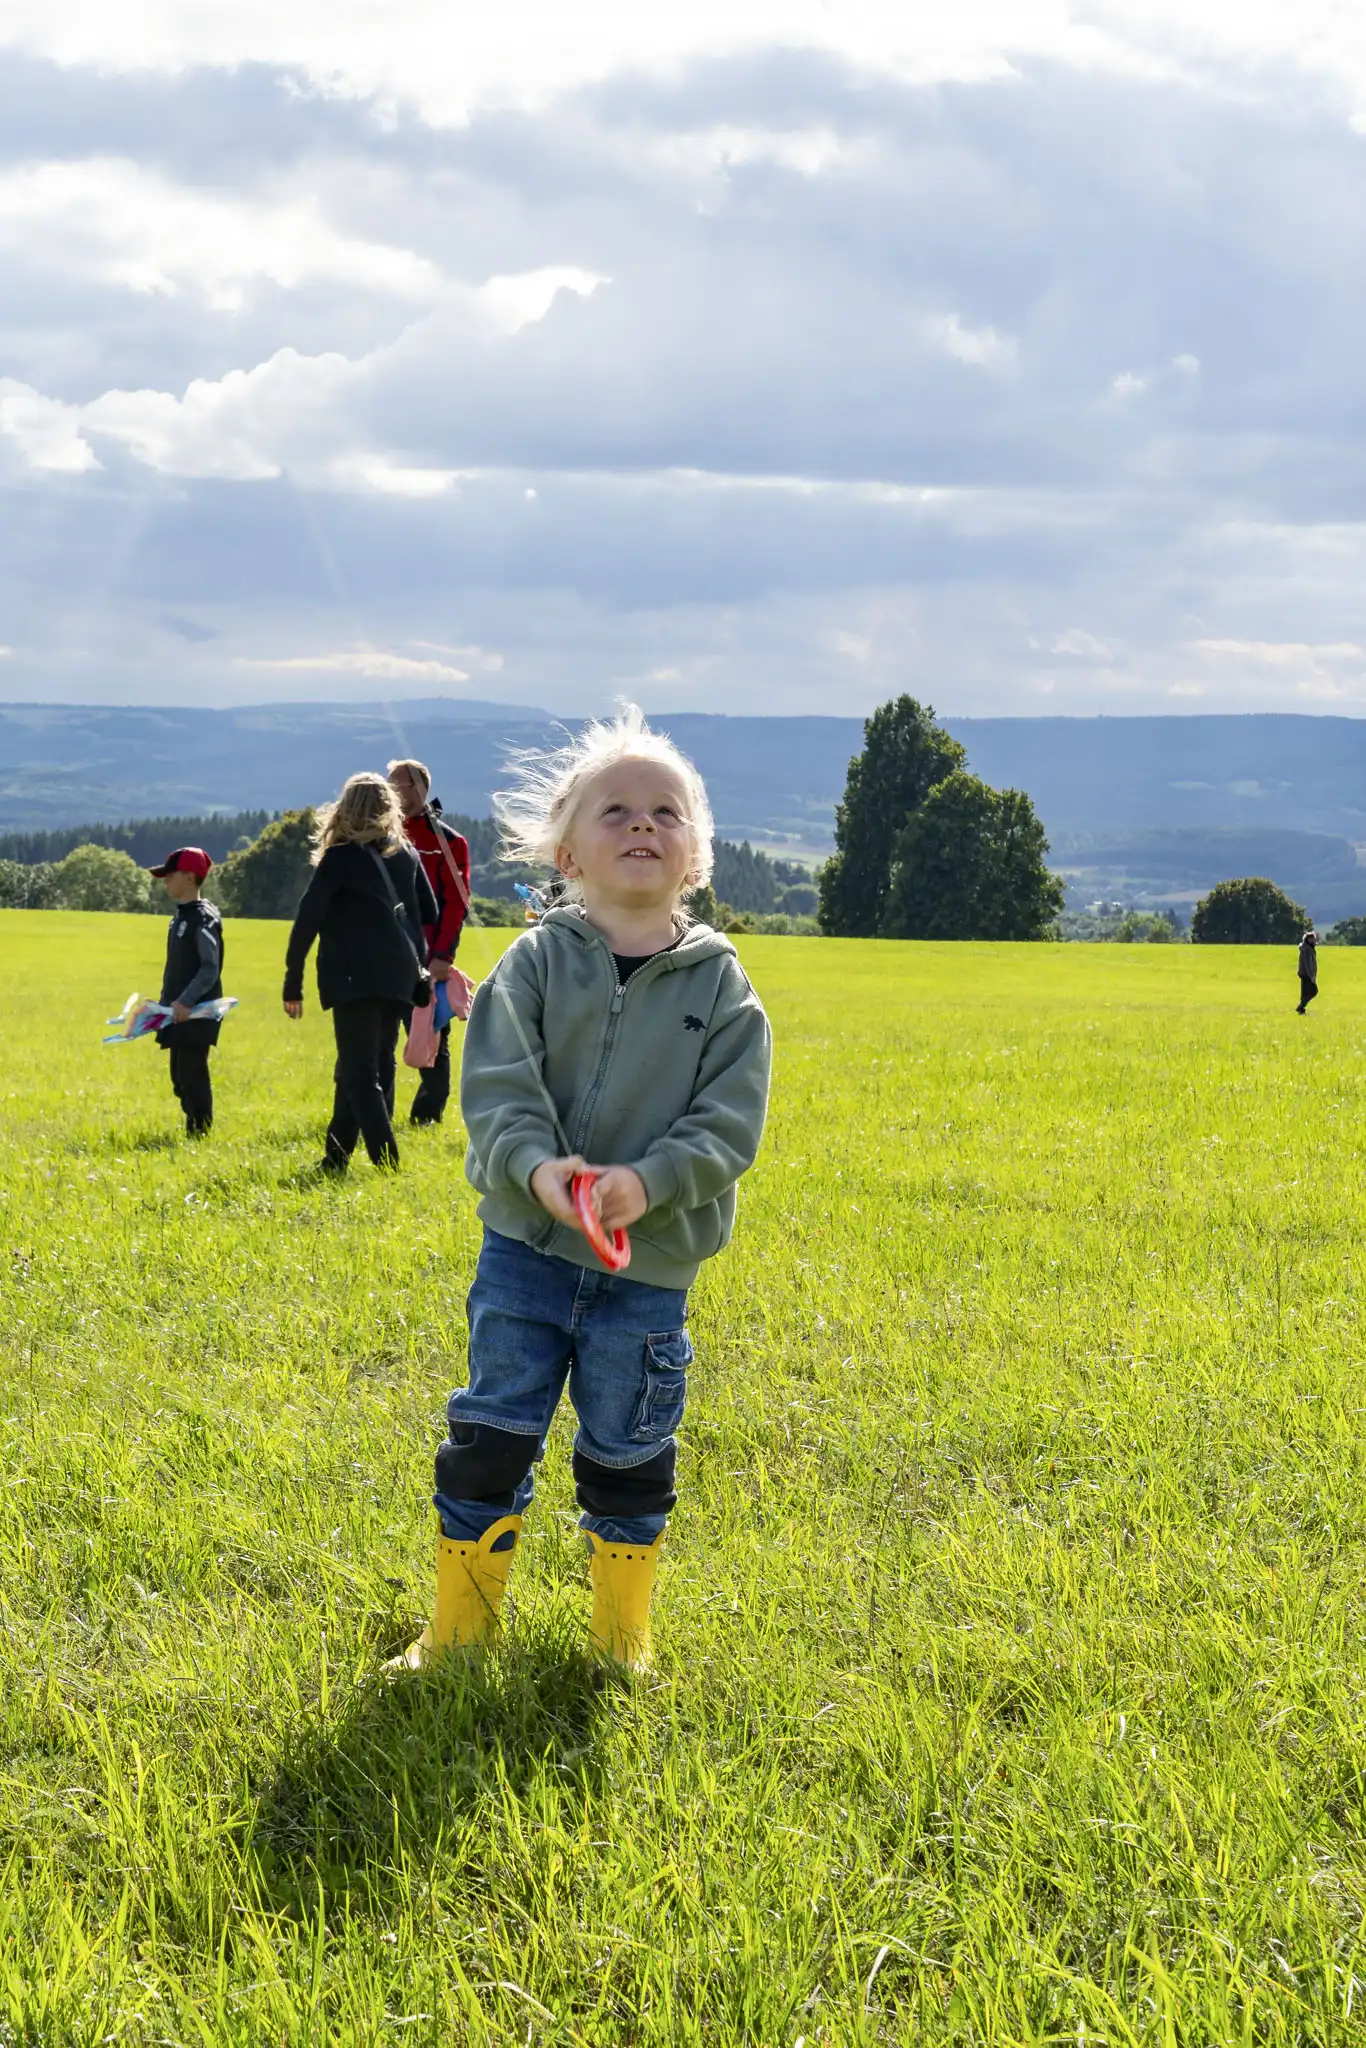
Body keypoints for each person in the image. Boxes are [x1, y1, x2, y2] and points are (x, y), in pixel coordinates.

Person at [394, 706, 772, 1676]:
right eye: (616, 810)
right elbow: (499, 1091)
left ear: (695, 857)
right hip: (524, 1251)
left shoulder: (723, 991)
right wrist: (540, 1172)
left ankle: (620, 1639)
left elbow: (727, 1126)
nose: (642, 823)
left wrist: (646, 1184)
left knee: (630, 1448)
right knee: (489, 1433)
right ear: (567, 848)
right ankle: (461, 1630)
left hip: (645, 1272)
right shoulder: (533, 964)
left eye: (665, 811)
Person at [283, 773, 437, 1172]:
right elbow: (428, 912)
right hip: (400, 974)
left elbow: (307, 920)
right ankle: (335, 1159)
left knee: (357, 1071)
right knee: (373, 1066)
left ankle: (388, 1164)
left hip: (353, 975)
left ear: (344, 809)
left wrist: (292, 980)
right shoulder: (406, 855)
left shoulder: (339, 858)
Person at [386, 757, 471, 1126]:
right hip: (382, 954)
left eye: (397, 785)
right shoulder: (380, 837)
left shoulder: (448, 842)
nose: (389, 792)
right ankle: (375, 1113)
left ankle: (427, 1117)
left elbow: (457, 901)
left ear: (419, 790)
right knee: (376, 1037)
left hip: (425, 959)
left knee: (432, 1036)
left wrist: (443, 955)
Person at [148, 846, 224, 1137]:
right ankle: (193, 1127)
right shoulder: (180, 917)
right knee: (178, 1079)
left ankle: (200, 1133)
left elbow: (209, 968)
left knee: (192, 1076)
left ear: (190, 877)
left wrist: (186, 1001)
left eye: (171, 875)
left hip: (197, 1012)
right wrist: (164, 1004)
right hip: (176, 1011)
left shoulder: (203, 918)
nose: (165, 880)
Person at [1297, 928, 1319, 1014]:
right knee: (1313, 991)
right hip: (1306, 974)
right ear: (1309, 939)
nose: (1315, 941)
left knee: (1306, 992)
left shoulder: (1309, 948)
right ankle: (1301, 1007)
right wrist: (1311, 976)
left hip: (1306, 974)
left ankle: (1301, 1008)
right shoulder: (1307, 949)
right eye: (1313, 939)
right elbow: (1307, 964)